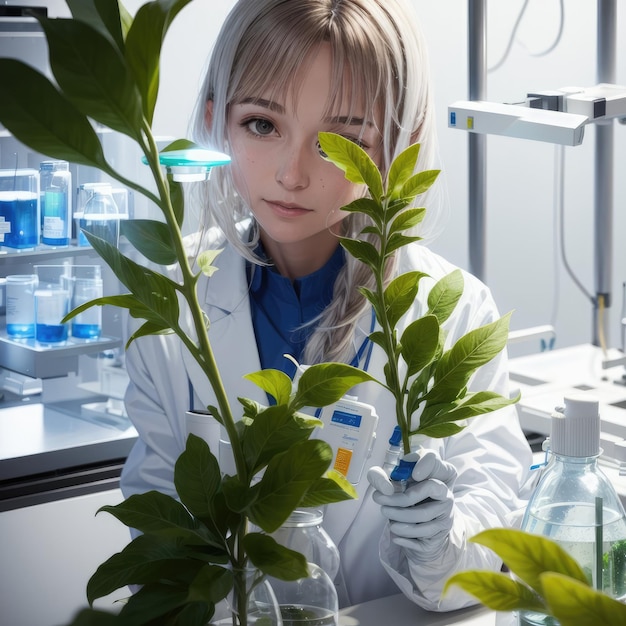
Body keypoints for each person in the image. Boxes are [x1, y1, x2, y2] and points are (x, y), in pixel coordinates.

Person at [120, 0, 536, 612]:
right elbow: (158, 538)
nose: (292, 174)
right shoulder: (169, 303)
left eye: (340, 140)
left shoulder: (453, 313)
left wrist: (438, 545)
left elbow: (487, 527)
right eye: (262, 124)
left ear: (399, 144)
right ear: (218, 120)